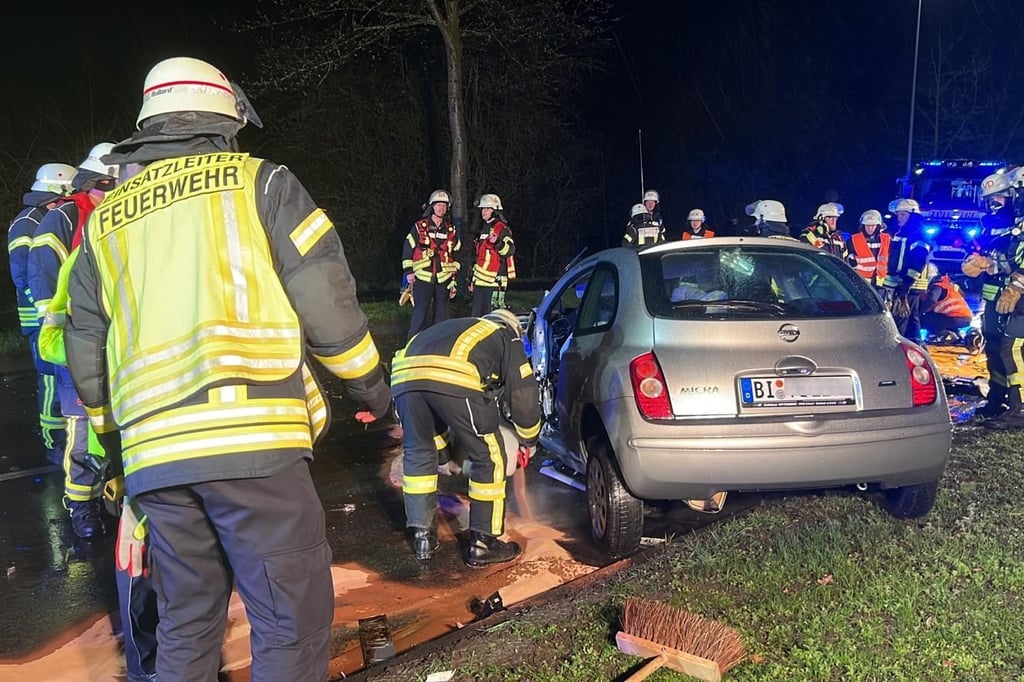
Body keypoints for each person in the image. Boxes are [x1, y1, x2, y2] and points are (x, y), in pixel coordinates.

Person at [64, 56, 393, 681]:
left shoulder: (103, 225)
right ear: (223, 121)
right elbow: (325, 299)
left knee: (186, 625)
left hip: (155, 460)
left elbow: (88, 348)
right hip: (254, 441)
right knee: (289, 622)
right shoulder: (260, 182)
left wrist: (116, 448)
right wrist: (372, 388)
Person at [37, 218, 159, 682]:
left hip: (153, 415)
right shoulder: (88, 254)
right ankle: (150, 664)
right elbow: (54, 339)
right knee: (140, 542)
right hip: (121, 414)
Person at [391, 308, 541, 567]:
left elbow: (435, 419)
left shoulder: (461, 328)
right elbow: (523, 394)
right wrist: (529, 438)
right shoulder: (507, 334)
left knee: (419, 453)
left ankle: (423, 538)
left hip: (403, 381)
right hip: (454, 376)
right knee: (490, 457)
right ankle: (483, 544)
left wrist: (445, 456)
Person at [28, 143, 118, 539]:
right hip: (76, 342)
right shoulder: (68, 215)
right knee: (82, 432)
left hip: (110, 342)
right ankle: (81, 507)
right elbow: (45, 275)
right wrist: (62, 331)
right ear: (100, 182)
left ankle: (112, 497)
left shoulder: (111, 217)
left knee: (113, 428)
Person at [7, 162, 76, 466]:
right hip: (39, 318)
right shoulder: (28, 223)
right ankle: (54, 442)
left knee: (58, 378)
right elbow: (23, 272)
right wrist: (45, 305)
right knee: (50, 380)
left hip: (45, 315)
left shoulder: (39, 218)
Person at [402, 189, 461, 339]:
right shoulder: (419, 227)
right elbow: (408, 249)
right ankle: (413, 345)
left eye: (444, 205)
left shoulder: (451, 230)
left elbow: (457, 253)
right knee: (419, 314)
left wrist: (455, 277)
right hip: (423, 277)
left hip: (443, 279)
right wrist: (408, 272)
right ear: (432, 206)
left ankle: (438, 345)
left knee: (441, 316)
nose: (441, 208)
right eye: (438, 205)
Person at [883, 198, 932, 341]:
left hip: (910, 286)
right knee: (911, 322)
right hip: (901, 284)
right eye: (898, 214)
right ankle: (916, 346)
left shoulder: (918, 235)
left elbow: (918, 261)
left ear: (913, 216)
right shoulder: (901, 233)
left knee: (903, 321)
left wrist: (905, 285)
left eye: (903, 214)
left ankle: (903, 348)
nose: (899, 218)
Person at [469, 193, 516, 317]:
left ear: (495, 211)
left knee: (492, 317)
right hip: (480, 282)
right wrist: (472, 280)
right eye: (482, 209)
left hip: (495, 282)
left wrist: (497, 242)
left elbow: (509, 251)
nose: (483, 212)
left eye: (487, 209)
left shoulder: (502, 229)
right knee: (476, 318)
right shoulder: (482, 229)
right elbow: (479, 257)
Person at [920, 265, 973, 340]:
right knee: (936, 317)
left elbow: (930, 301)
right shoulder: (947, 283)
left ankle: (942, 334)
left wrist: (918, 312)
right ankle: (954, 333)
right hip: (963, 317)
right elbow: (962, 294)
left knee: (926, 319)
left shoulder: (937, 287)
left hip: (956, 317)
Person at [846, 209, 891, 291]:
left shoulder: (886, 239)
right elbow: (848, 260)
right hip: (861, 282)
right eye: (867, 225)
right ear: (863, 226)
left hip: (881, 283)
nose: (870, 228)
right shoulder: (854, 239)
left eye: (873, 225)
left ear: (878, 226)